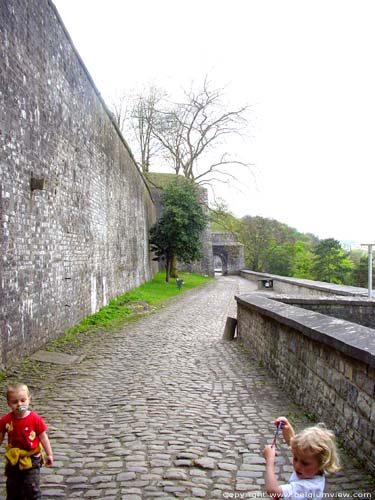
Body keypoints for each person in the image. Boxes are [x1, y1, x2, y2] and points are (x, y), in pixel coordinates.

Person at [263, 416, 340, 499]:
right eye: (295, 459)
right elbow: (297, 449)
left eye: (304, 463)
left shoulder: (308, 487)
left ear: (322, 463)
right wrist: (287, 429)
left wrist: (270, 460)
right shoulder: (312, 471)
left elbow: (273, 491)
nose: (297, 466)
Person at [0, 383, 53, 500]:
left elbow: (43, 437)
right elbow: (1, 434)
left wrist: (49, 454)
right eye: (15, 402)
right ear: (9, 403)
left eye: (23, 400)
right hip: (13, 459)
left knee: (31, 486)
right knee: (12, 487)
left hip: (32, 458)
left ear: (29, 399)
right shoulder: (6, 420)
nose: (19, 404)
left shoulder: (35, 419)